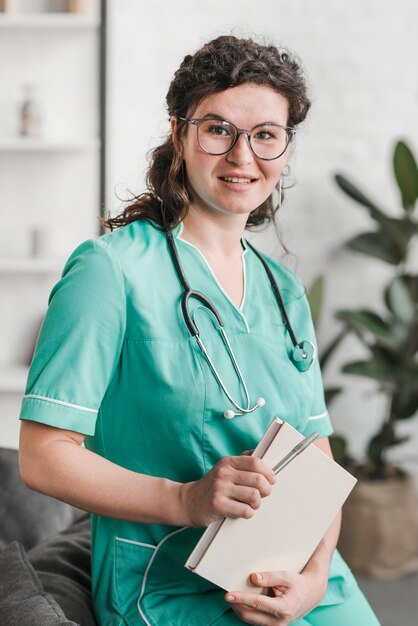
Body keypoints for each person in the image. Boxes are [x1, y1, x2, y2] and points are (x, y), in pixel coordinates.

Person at [19, 35, 381, 626]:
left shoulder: (284, 292)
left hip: (298, 574)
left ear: (285, 148)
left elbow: (317, 457)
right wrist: (184, 500)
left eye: (265, 135)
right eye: (219, 129)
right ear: (180, 133)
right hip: (168, 577)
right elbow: (43, 457)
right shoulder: (109, 270)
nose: (243, 156)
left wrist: (314, 581)